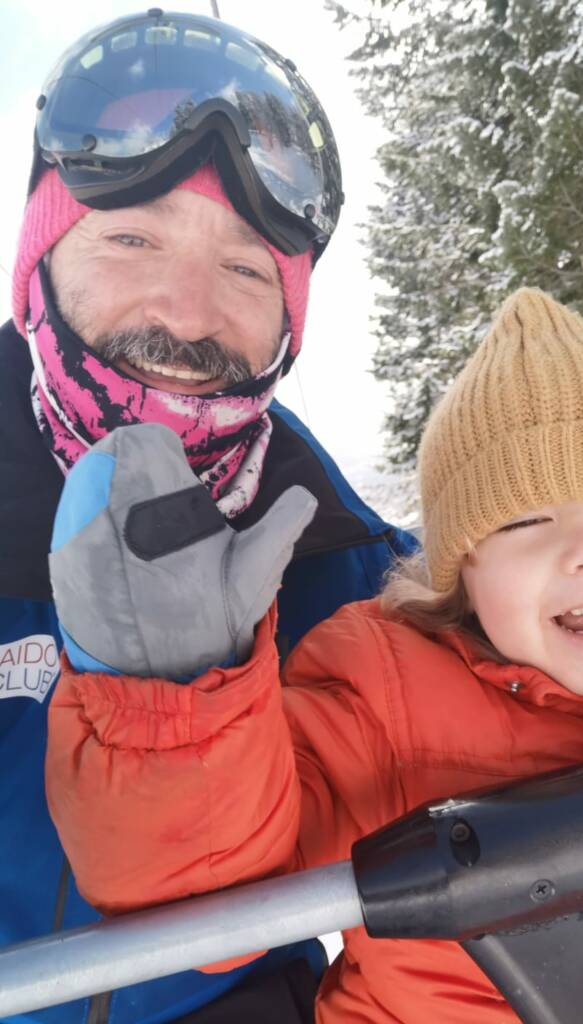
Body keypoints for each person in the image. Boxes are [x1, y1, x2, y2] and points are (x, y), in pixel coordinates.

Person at [47, 287, 583, 1022]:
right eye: (526, 519)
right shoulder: (378, 693)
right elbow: (201, 895)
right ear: (462, 567)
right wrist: (181, 699)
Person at [1, 10, 415, 1024]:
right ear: (38, 267)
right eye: (133, 238)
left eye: (243, 269)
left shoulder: (350, 567)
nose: (186, 314)